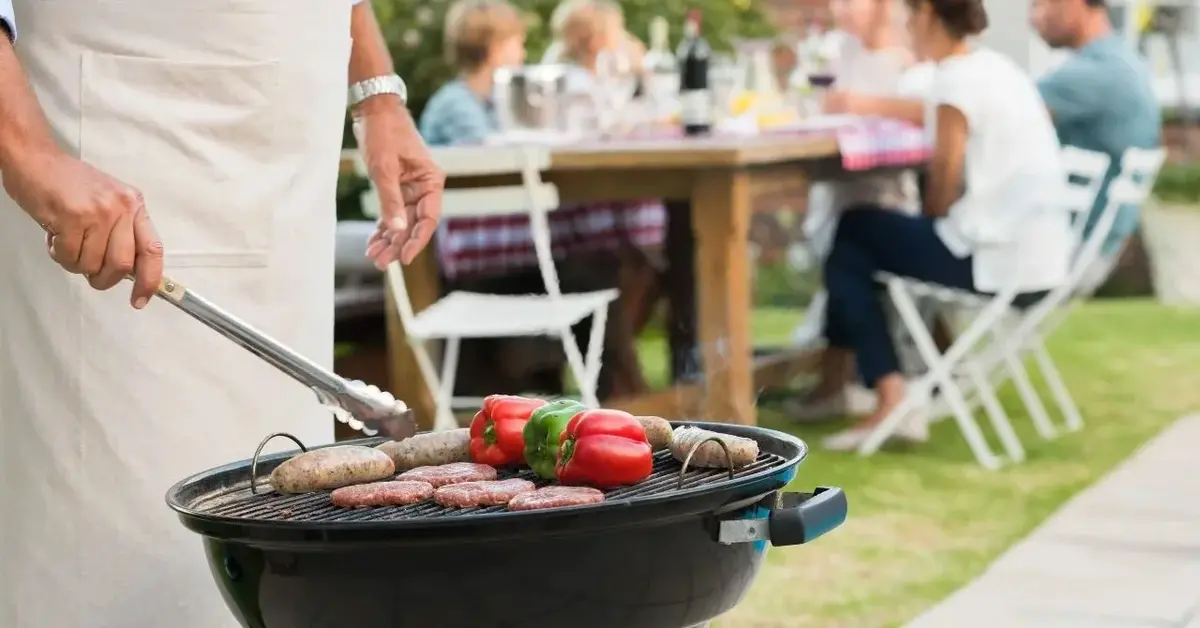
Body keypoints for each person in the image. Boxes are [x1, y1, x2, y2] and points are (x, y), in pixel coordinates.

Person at [0, 1, 443, 626]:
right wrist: (31, 154)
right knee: (115, 547)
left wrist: (376, 95)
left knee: (279, 520)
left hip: (287, 159)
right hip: (118, 127)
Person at [818, 0, 1073, 451]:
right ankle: (857, 387)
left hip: (995, 262)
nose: (905, 26)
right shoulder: (999, 68)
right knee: (870, 236)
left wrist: (922, 223)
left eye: (910, 16)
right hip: (1040, 262)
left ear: (930, 16)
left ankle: (887, 397)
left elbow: (942, 185)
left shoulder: (954, 82)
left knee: (853, 232)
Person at [789, 0, 923, 422]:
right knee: (844, 252)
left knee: (848, 254)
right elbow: (806, 96)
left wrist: (860, 102)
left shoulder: (907, 59)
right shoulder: (834, 49)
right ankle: (839, 385)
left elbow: (929, 114)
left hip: (887, 194)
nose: (841, 8)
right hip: (838, 189)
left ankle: (881, 390)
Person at [1031, 0, 1161, 285]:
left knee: (913, 244)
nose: (1034, 18)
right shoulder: (1123, 61)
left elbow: (996, 115)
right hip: (1092, 246)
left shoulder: (1097, 71)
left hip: (1061, 251)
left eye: (1043, 4)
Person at [419, 0, 527, 146]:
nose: (523, 54)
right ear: (495, 50)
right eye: (519, 45)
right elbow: (491, 155)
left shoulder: (491, 102)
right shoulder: (454, 103)